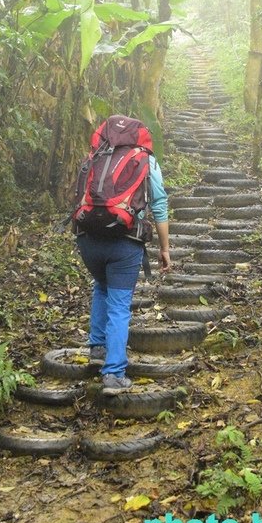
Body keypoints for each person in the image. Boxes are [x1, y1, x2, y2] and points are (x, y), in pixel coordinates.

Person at [75, 149, 172, 395]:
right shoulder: (146, 159)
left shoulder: (96, 156)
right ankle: (114, 374)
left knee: (101, 285)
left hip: (87, 238)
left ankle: (97, 349)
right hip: (124, 240)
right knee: (119, 305)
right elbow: (159, 203)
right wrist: (165, 248)